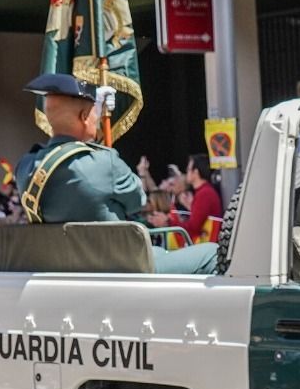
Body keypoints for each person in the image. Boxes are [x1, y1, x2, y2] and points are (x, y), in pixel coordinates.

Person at [14, 74, 220, 275]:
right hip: (121, 267)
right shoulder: (106, 163)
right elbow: (137, 201)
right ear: (84, 117)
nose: (97, 116)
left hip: (60, 267)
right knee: (213, 253)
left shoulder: (26, 167)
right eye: (94, 111)